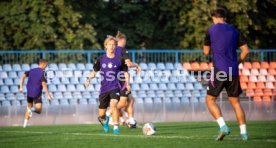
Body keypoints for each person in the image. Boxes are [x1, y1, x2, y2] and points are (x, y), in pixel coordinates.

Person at [203, 7, 250, 141]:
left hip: (219, 70)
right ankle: (244, 134)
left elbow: (206, 52)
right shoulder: (235, 30)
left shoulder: (211, 30)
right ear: (225, 17)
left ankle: (223, 126)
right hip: (233, 70)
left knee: (210, 100)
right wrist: (237, 62)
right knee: (235, 103)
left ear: (214, 17)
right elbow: (246, 51)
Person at [85, 35, 130, 135]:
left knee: (113, 105)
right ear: (105, 46)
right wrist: (88, 79)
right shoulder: (101, 59)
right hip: (104, 89)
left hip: (115, 87)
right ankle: (104, 121)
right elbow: (94, 72)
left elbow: (126, 73)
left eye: (114, 45)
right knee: (101, 114)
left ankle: (116, 128)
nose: (112, 47)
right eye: (109, 45)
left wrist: (128, 84)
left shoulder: (120, 59)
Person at [107, 31, 141, 127]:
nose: (125, 42)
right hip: (120, 79)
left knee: (131, 99)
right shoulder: (122, 49)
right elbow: (129, 64)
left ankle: (130, 121)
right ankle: (109, 114)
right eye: (125, 40)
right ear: (122, 40)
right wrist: (136, 66)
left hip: (111, 78)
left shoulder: (112, 49)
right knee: (122, 103)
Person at [19, 59, 53, 128]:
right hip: (36, 92)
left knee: (29, 107)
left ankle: (24, 125)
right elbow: (43, 84)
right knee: (39, 109)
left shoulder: (31, 70)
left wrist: (21, 87)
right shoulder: (43, 73)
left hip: (29, 92)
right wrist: (48, 94)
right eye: (46, 65)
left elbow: (22, 76)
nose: (46, 66)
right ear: (43, 64)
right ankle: (31, 110)